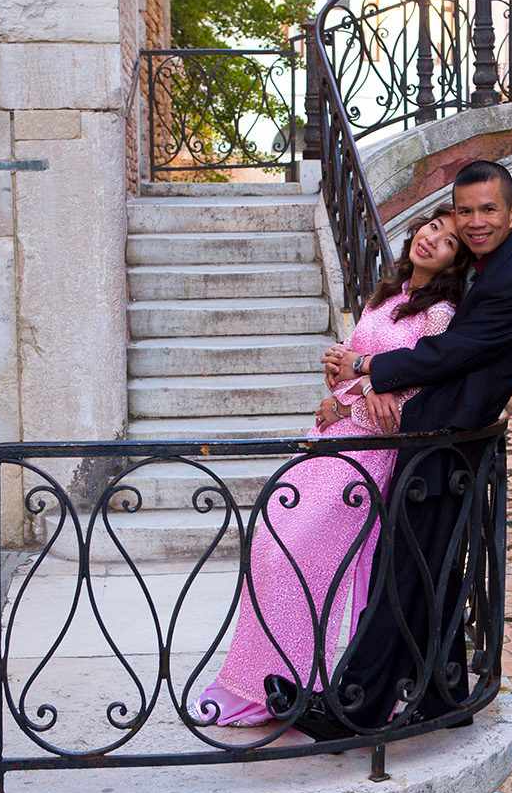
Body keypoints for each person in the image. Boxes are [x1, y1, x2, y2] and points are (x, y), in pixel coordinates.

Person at [266, 159, 512, 740]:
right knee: (428, 574)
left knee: (401, 575)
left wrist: (368, 368)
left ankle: (355, 708)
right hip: (436, 442)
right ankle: (441, 692)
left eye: (486, 210)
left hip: (443, 443)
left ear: (511, 212)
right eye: (465, 211)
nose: (474, 222)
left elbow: (450, 354)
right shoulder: (484, 267)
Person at [188, 208, 472, 727]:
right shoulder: (386, 295)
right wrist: (341, 380)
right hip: (329, 441)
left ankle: (307, 679)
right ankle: (258, 678)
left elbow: (415, 389)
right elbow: (353, 369)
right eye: (432, 227)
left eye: (449, 240)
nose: (433, 240)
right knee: (269, 544)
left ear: (458, 261)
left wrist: (358, 391)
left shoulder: (439, 316)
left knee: (301, 556)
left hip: (368, 455)